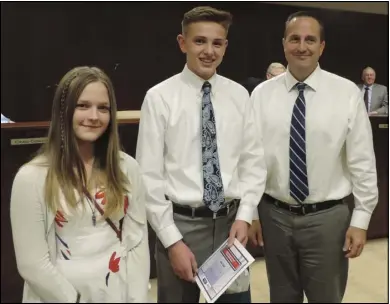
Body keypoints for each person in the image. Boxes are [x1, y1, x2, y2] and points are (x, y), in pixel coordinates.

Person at [136, 6, 266, 303]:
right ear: (182, 43)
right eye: (200, 41)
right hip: (181, 228)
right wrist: (172, 242)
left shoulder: (239, 96)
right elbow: (149, 178)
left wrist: (245, 216)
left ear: (225, 47)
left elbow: (253, 164)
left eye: (217, 43)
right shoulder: (159, 98)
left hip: (230, 229)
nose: (209, 51)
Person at [250, 11, 378, 303]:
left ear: (322, 46)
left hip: (328, 219)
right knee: (282, 297)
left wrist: (361, 217)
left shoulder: (346, 93)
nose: (302, 46)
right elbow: (252, 159)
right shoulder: (260, 95)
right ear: (284, 45)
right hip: (275, 216)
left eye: (310, 39)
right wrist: (253, 212)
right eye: (294, 39)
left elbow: (362, 162)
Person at [10, 66, 150, 302]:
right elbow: (33, 264)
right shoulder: (32, 177)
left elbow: (136, 241)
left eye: (103, 108)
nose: (94, 116)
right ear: (64, 111)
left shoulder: (128, 168)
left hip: (115, 291)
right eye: (83, 106)